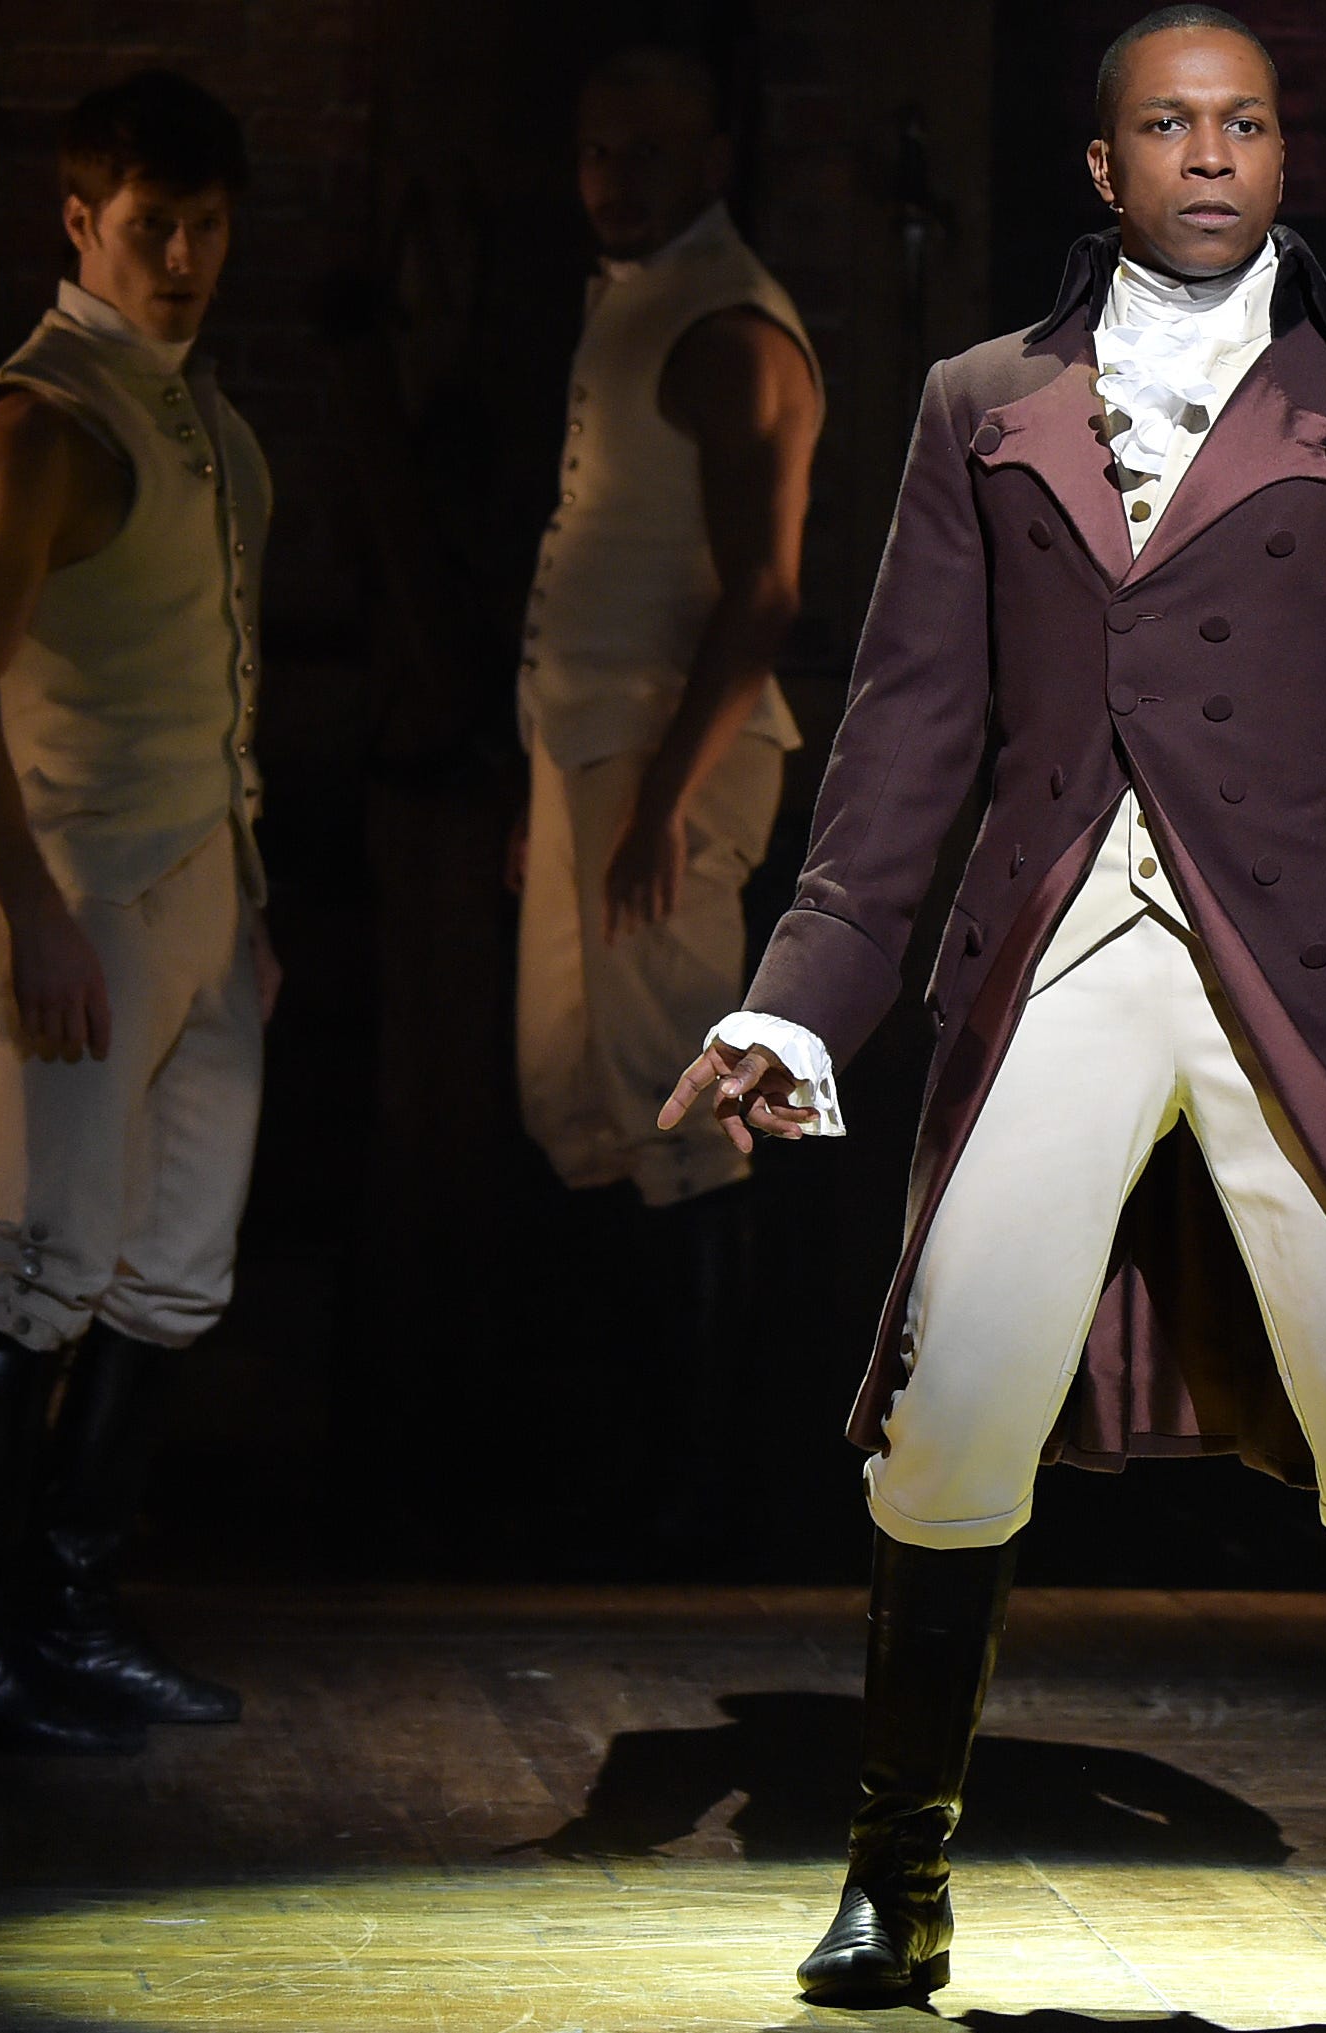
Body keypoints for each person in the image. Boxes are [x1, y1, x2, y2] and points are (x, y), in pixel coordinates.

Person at [658, 8, 1326, 2019]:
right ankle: (897, 1881)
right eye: (1169, 123)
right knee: (954, 1393)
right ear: (1104, 165)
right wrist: (803, 1002)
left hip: (1309, 979)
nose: (1211, 155)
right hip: (1060, 942)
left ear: (1285, 154)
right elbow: (907, 727)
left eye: (1246, 123)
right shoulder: (983, 402)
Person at [0, 70, 274, 1755]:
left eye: (205, 226)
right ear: (79, 223)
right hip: (84, 900)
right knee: (37, 1262)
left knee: (169, 1271)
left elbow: (216, 678)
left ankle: (72, 1614)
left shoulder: (195, 412)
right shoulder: (39, 423)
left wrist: (249, 900)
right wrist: (29, 908)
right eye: (149, 226)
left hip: (203, 896)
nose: (181, 257)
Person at [509, 40, 821, 1554]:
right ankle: (615, 1473)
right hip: (592, 754)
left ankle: (702, 1499)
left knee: (686, 1112)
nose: (613, 179)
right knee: (579, 1099)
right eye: (596, 150)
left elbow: (763, 593)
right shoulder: (634, 301)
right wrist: (553, 784)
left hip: (664, 762)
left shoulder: (729, 328)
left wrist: (657, 805)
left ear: (713, 159)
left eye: (647, 151)